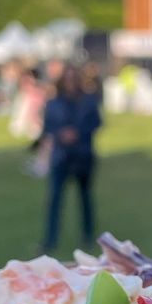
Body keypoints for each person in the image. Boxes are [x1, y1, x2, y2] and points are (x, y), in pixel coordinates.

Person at [41, 66, 102, 253]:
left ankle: (88, 237)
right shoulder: (53, 103)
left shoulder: (88, 101)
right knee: (55, 199)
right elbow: (48, 127)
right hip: (61, 157)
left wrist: (78, 133)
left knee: (85, 199)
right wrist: (61, 134)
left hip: (82, 156)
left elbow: (96, 123)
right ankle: (50, 240)